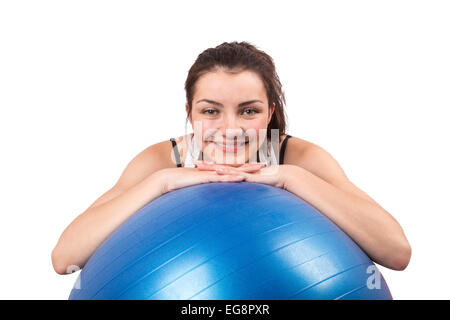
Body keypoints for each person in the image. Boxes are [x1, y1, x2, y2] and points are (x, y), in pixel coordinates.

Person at [51, 41, 411, 275]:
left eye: (248, 111)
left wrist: (292, 179)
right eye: (211, 111)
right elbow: (64, 258)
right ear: (190, 112)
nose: (230, 128)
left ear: (270, 113)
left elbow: (397, 253)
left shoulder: (301, 158)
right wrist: (159, 183)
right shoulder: (161, 160)